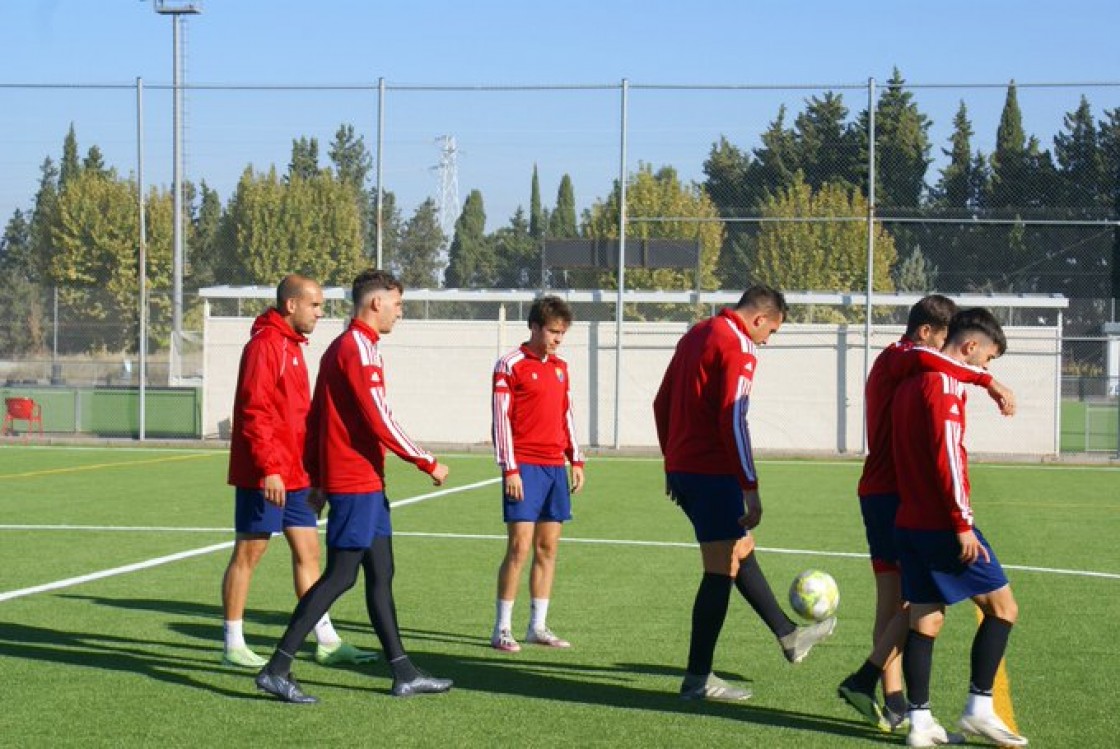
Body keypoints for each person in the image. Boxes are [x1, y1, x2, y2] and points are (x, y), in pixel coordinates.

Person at [254, 269, 453, 704]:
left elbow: (319, 417)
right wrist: (427, 461)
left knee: (381, 573)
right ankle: (277, 667)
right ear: (376, 303)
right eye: (398, 304)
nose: (400, 313)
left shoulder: (350, 347)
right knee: (341, 575)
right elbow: (378, 417)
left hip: (364, 481)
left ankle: (403, 673)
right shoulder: (356, 348)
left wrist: (318, 479)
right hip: (356, 481)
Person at [838, 295, 1016, 732]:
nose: (943, 350)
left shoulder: (906, 366)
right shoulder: (908, 359)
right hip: (894, 493)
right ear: (924, 334)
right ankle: (889, 694)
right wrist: (990, 383)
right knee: (907, 601)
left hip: (893, 492)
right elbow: (942, 367)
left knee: (913, 601)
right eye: (941, 339)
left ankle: (891, 697)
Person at [652, 284, 836, 702]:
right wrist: (750, 487)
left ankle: (789, 635)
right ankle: (697, 680)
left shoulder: (697, 333)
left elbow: (661, 403)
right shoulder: (738, 345)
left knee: (739, 548)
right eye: (770, 332)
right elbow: (733, 419)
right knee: (719, 570)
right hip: (710, 471)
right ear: (758, 319)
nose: (767, 341)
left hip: (686, 467)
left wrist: (671, 461)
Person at [221, 274, 375, 668]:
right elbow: (255, 413)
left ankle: (326, 640)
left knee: (309, 552)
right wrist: (269, 469)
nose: (321, 313)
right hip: (266, 475)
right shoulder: (264, 346)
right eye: (316, 305)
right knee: (249, 552)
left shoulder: (292, 347)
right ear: (291, 305)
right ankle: (232, 644)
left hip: (296, 476)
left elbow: (297, 419)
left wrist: (313, 474)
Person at [891, 308, 1027, 747]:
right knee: (1004, 609)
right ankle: (979, 708)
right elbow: (948, 459)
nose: (984, 370)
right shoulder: (945, 386)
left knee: (925, 619)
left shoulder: (909, 383)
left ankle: (919, 723)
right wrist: (961, 523)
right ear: (969, 348)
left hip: (909, 518)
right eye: (986, 360)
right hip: (941, 524)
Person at [490, 296, 586, 653]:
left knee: (548, 548)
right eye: (552, 331)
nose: (557, 339)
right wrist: (509, 468)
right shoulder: (509, 365)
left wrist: (575, 460)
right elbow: (501, 420)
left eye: (562, 333)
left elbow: (567, 416)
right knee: (519, 547)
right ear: (534, 326)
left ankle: (537, 626)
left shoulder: (561, 368)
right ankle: (501, 629)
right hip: (524, 467)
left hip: (553, 469)